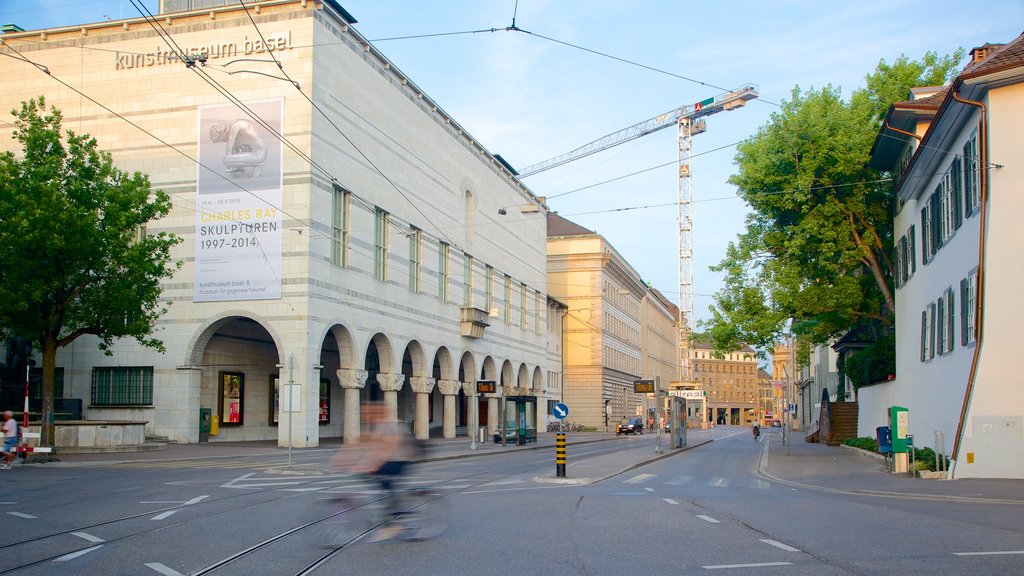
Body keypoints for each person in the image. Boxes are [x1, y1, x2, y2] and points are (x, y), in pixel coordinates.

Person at [339, 403, 423, 540]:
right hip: (387, 461)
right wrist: (343, 459)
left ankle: (392, 525)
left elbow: (390, 447)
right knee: (376, 485)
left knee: (383, 489)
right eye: (365, 415)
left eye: (369, 414)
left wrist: (371, 465)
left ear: (378, 413)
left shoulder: (394, 425)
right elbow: (365, 445)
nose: (366, 417)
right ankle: (388, 515)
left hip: (400, 460)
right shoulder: (377, 426)